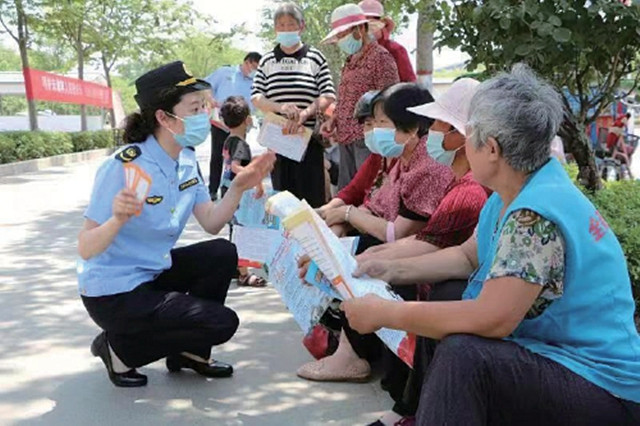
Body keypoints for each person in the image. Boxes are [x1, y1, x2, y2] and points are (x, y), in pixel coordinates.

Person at [345, 64, 640, 425]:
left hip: (603, 389)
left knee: (464, 354)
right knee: (449, 295)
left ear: (493, 148)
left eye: (467, 134)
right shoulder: (512, 196)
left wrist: (385, 313)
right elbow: (468, 256)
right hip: (560, 359)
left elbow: (492, 319)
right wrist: (386, 269)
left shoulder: (535, 216)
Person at [77, 61, 275, 388]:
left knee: (222, 252)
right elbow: (85, 247)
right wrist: (117, 219)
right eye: (195, 108)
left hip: (152, 273)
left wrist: (239, 187)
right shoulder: (124, 166)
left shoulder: (185, 159)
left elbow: (211, 223)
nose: (204, 115)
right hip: (114, 292)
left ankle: (192, 354)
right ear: (164, 118)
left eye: (204, 106)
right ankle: (117, 349)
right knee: (222, 323)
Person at [296, 83, 456, 383]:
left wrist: (347, 221)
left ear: (410, 128)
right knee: (342, 251)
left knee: (356, 258)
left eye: (381, 123)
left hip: (423, 254)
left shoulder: (428, 165)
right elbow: (369, 201)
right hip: (411, 245)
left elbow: (402, 233)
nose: (373, 131)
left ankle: (351, 355)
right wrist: (341, 223)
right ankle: (348, 344)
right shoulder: (400, 158)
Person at [357, 78, 489, 426]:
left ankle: (409, 406)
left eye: (438, 126)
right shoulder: (467, 183)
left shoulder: (474, 191)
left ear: (464, 136)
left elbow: (430, 244)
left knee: (443, 298)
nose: (430, 133)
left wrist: (380, 276)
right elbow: (463, 254)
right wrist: (377, 264)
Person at [252, 2, 336, 208]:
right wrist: (281, 108)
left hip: (307, 141)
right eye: (281, 25)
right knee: (283, 200)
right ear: (275, 28)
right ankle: (283, 240)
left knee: (312, 199)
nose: (286, 29)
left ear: (301, 26)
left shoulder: (315, 57)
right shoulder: (267, 60)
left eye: (291, 24)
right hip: (278, 141)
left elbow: (328, 94)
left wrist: (305, 113)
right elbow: (256, 97)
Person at [320, 3, 400, 190]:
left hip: (369, 140)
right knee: (346, 191)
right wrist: (334, 119)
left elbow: (390, 101)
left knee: (366, 191)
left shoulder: (381, 58)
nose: (340, 40)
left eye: (343, 34)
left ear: (360, 29)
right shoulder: (349, 62)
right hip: (345, 138)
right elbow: (346, 98)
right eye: (338, 36)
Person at [218, 95, 267, 288]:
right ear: (247, 119)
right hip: (238, 193)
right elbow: (236, 167)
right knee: (243, 231)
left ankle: (235, 267)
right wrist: (256, 179)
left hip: (227, 189)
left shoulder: (230, 140)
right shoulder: (240, 143)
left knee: (235, 230)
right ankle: (244, 274)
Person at [205, 52, 262, 200]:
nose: (256, 71)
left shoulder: (255, 81)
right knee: (217, 155)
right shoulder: (225, 72)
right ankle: (213, 189)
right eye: (255, 67)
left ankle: (234, 189)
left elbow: (256, 101)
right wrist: (211, 100)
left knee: (237, 155)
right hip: (220, 121)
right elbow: (206, 86)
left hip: (240, 124)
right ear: (247, 62)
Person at [358, 0, 416, 83]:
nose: (368, 31)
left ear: (381, 24)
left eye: (372, 25)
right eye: (362, 27)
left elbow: (409, 85)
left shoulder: (396, 50)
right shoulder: (357, 54)